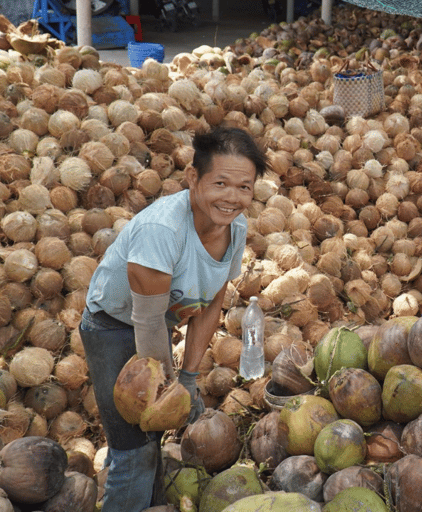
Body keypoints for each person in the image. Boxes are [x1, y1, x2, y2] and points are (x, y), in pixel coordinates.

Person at [79, 126, 267, 512]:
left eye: (244, 187)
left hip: (156, 323)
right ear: (193, 178)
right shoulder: (161, 230)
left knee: (145, 441)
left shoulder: (235, 227)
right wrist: (167, 393)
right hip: (114, 326)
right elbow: (146, 323)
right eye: (221, 183)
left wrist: (190, 377)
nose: (232, 197)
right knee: (135, 448)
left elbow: (213, 303)